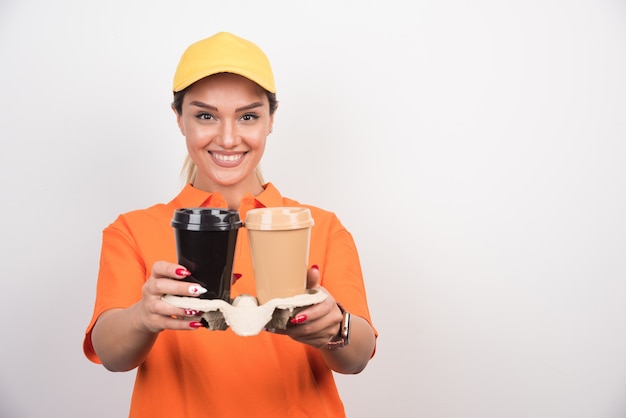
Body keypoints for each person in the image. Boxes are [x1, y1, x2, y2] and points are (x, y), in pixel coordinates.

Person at [83, 31, 377, 417]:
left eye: (248, 116)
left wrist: (334, 327)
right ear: (179, 119)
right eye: (205, 115)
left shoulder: (319, 226)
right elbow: (111, 354)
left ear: (270, 120)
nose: (227, 137)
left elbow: (357, 358)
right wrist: (144, 315)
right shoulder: (132, 230)